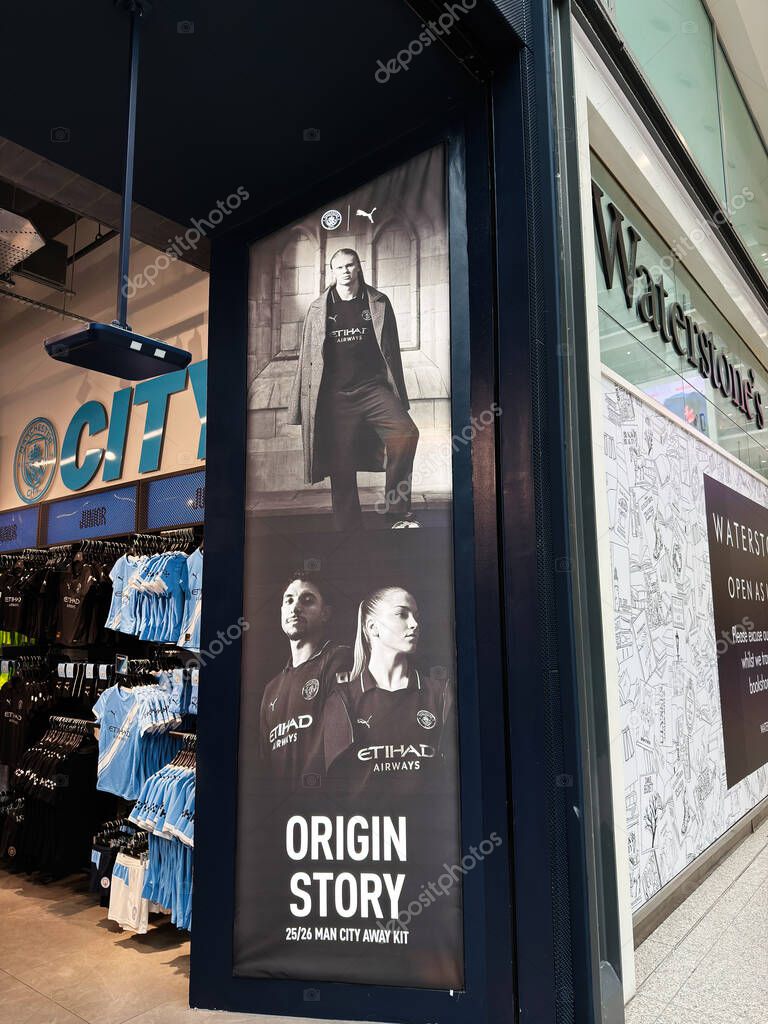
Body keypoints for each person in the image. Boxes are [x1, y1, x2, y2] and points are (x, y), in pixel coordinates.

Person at [287, 248, 420, 531]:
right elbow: (306, 359)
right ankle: (348, 529)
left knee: (405, 433)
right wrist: (298, 405)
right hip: (335, 396)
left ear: (358, 268)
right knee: (340, 463)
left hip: (373, 389)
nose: (346, 271)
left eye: (351, 265)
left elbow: (391, 352)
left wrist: (398, 393)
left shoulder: (378, 302)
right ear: (332, 272)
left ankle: (396, 513)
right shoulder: (318, 309)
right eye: (340, 267)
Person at [323, 586, 454, 793]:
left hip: (427, 824)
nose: (414, 624)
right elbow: (337, 789)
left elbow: (453, 777)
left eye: (416, 616)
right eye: (402, 614)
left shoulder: (441, 694)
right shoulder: (343, 698)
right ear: (373, 627)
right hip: (370, 824)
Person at [259, 571, 351, 787]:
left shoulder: (339, 659)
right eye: (288, 600)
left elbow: (343, 746)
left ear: (325, 613)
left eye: (307, 600)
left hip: (324, 811)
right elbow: (265, 767)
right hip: (281, 814)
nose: (295, 607)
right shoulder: (271, 689)